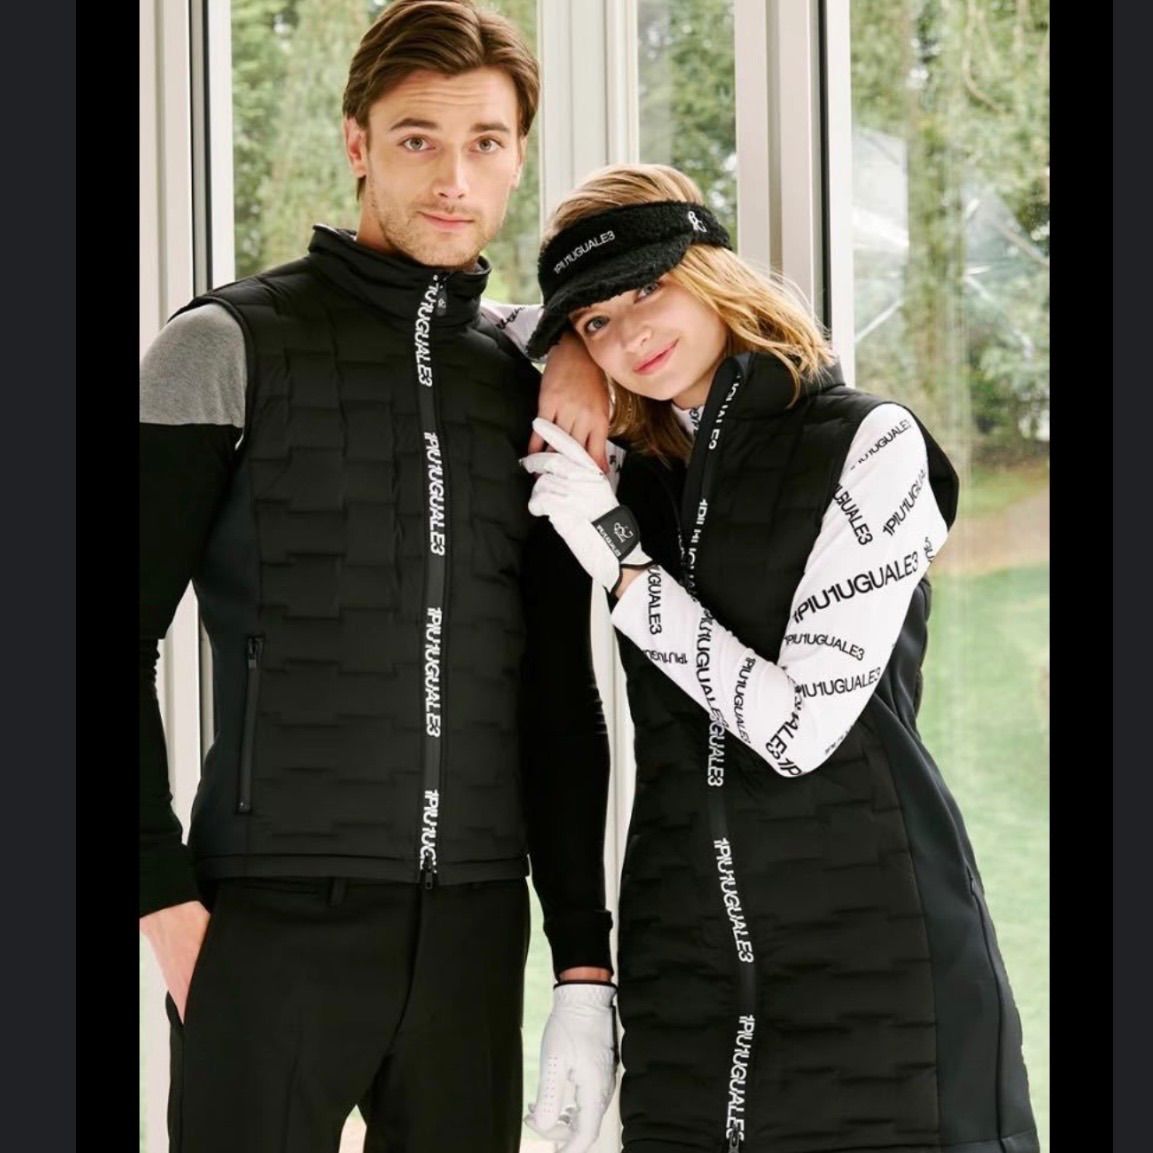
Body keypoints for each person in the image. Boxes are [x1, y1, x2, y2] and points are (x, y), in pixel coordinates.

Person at [139, 3, 618, 1150]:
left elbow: (557, 689)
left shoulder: (534, 382)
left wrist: (582, 959)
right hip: (265, 922)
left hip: (473, 933)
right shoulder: (221, 346)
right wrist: (165, 906)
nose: (453, 178)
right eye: (417, 139)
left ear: (518, 155)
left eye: (486, 142)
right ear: (357, 142)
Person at [520, 163, 1038, 1153]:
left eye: (649, 287)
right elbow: (462, 320)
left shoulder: (868, 446)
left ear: (711, 270)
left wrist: (621, 562)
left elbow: (796, 730)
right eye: (597, 319)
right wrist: (564, 357)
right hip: (684, 979)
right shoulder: (638, 471)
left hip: (883, 971)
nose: (631, 333)